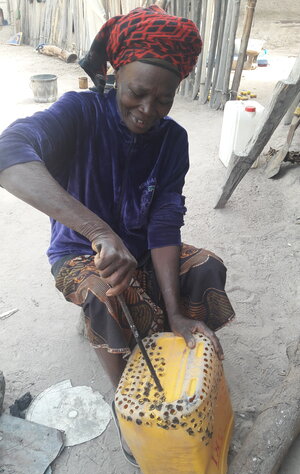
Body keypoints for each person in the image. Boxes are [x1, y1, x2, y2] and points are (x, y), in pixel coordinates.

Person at [0, 6, 234, 392]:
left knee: (206, 267)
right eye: (137, 93)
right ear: (115, 74)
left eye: (164, 99)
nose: (147, 111)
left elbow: (164, 221)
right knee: (103, 291)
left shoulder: (173, 141)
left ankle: (176, 338)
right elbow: (9, 153)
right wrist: (100, 232)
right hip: (78, 251)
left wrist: (176, 311)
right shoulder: (80, 112)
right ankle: (128, 395)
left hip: (141, 250)